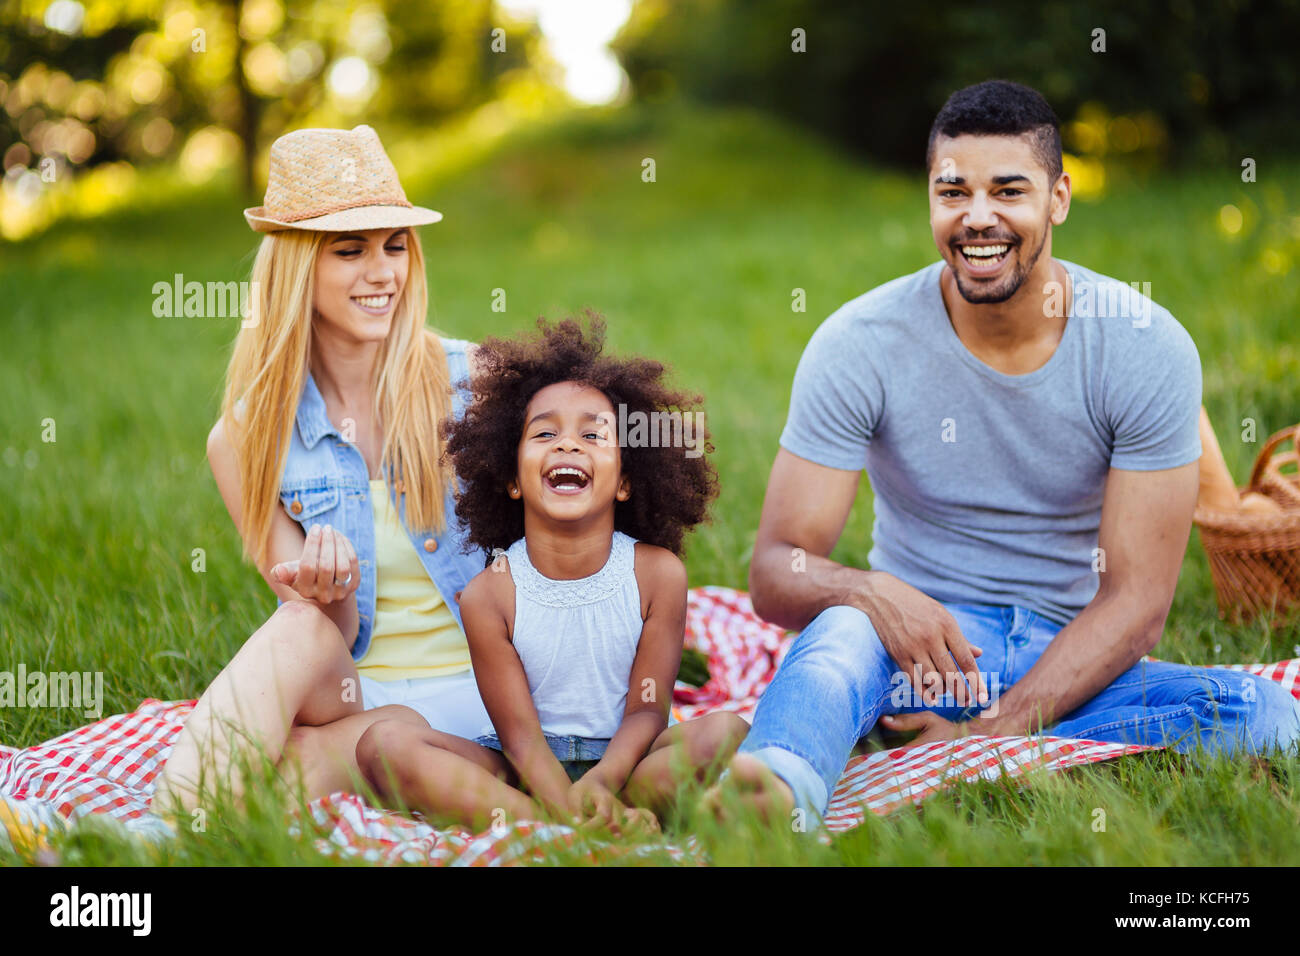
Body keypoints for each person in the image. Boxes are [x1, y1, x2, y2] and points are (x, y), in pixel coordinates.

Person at [713, 80, 1300, 824]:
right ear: (929, 198)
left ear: (1058, 198)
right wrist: (871, 591)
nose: (977, 217)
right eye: (953, 191)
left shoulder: (1146, 347)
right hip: (905, 653)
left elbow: (1137, 603)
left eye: (1008, 190)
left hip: (1071, 655)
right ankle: (776, 797)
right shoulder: (858, 344)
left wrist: (990, 729)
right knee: (837, 639)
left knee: (1264, 712)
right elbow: (776, 569)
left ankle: (919, 753)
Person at [154, 125, 493, 814]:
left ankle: (159, 833)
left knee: (284, 782)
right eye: (350, 251)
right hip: (364, 704)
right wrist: (327, 594)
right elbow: (330, 635)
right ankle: (150, 838)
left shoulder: (476, 383)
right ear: (296, 269)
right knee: (300, 629)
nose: (383, 272)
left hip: (495, 695)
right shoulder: (246, 436)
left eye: (395, 247)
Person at [356, 317, 748, 832]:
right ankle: (576, 829)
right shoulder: (488, 594)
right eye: (544, 433)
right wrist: (565, 802)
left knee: (728, 730)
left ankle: (602, 815)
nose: (567, 445)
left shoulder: (658, 575)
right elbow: (519, 738)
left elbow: (647, 713)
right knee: (384, 746)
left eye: (592, 434)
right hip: (522, 771)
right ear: (512, 478)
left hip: (628, 763)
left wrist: (603, 783)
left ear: (626, 481)